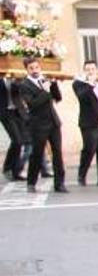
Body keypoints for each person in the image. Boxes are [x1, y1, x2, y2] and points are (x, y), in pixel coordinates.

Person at [17, 58, 66, 193]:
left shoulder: (44, 80)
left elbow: (57, 98)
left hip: (53, 122)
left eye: (37, 67)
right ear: (27, 69)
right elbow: (32, 104)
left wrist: (54, 85)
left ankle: (59, 183)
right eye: (31, 68)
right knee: (37, 154)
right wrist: (45, 91)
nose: (35, 70)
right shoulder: (24, 85)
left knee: (57, 153)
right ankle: (31, 182)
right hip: (38, 125)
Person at [2, 72, 30, 181]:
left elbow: (19, 90)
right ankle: (7, 168)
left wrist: (15, 79)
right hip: (6, 113)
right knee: (17, 141)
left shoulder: (17, 79)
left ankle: (15, 172)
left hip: (18, 112)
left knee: (21, 141)